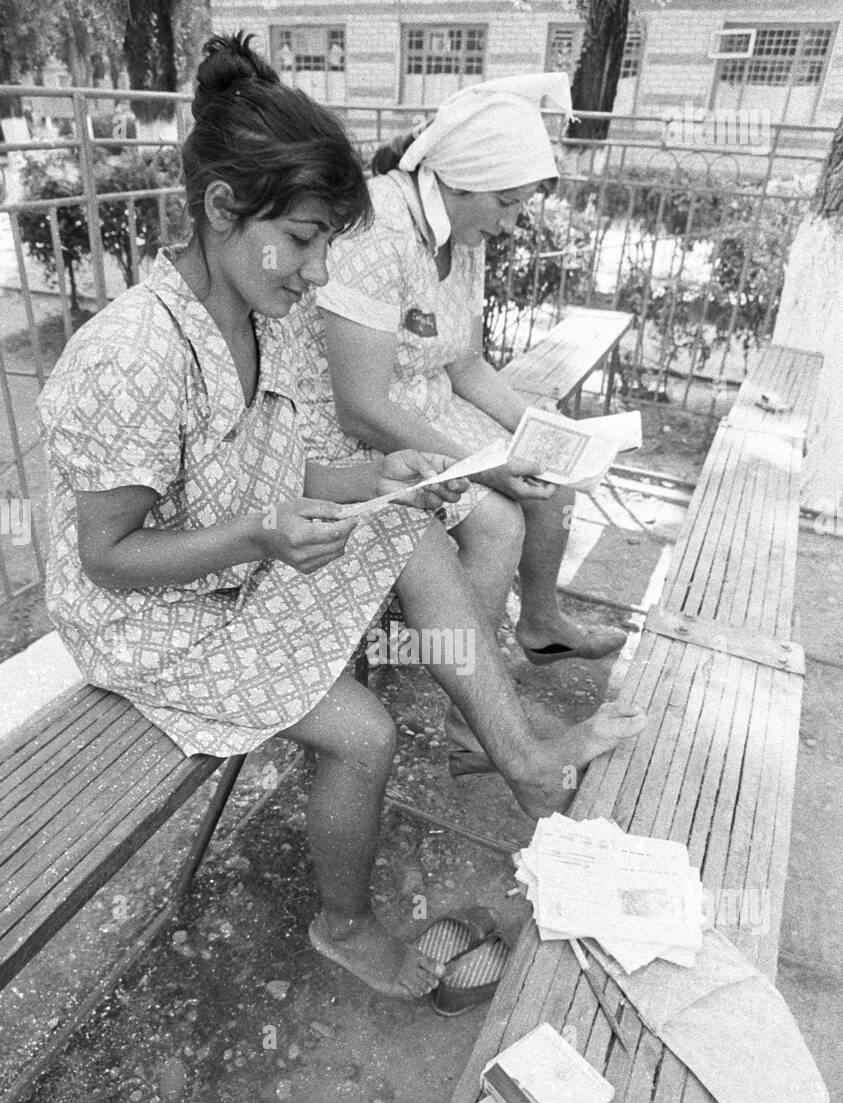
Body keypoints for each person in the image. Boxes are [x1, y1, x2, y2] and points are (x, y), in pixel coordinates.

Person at [39, 34, 646, 1001]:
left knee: (407, 525)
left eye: (330, 242)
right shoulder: (133, 355)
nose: (320, 271)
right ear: (223, 210)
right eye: (309, 238)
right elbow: (108, 559)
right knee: (363, 735)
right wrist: (260, 536)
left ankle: (522, 757)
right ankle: (344, 926)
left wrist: (372, 476)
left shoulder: (254, 313)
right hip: (144, 618)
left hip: (225, 561)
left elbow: (265, 463)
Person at [288, 73, 628, 774]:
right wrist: (488, 464)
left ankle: (539, 626)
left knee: (550, 476)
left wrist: (539, 425)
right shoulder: (378, 230)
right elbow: (360, 404)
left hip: (424, 404)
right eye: (504, 204)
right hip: (356, 427)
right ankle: (470, 716)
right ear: (460, 180)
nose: (509, 223)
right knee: (499, 518)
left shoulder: (457, 229)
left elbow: (465, 363)